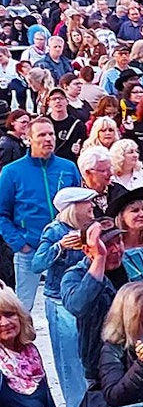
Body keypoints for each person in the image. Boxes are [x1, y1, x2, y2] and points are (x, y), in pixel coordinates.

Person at [0, 118, 82, 310]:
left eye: (51, 134)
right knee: (23, 308)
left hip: (65, 248)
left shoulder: (68, 168)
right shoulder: (12, 172)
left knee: (67, 305)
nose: (48, 139)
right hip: (30, 249)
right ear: (29, 139)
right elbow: (2, 213)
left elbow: (79, 205)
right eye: (42, 135)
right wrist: (19, 244)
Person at [35, 186, 100, 407]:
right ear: (73, 208)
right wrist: (60, 246)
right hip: (59, 302)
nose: (92, 207)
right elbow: (37, 264)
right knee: (69, 361)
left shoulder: (91, 228)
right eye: (87, 203)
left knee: (87, 356)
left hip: (85, 299)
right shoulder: (54, 230)